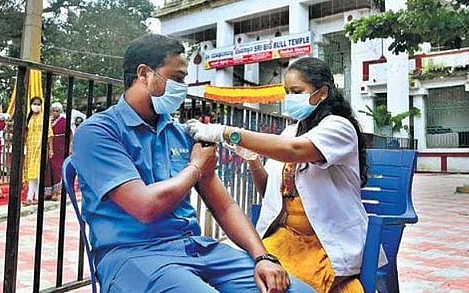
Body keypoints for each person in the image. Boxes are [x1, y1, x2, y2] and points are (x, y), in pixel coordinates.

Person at [71, 33, 315, 293]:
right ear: (144, 74)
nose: (183, 86)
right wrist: (196, 168)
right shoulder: (98, 132)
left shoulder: (181, 134)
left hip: (196, 249)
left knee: (297, 291)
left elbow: (224, 206)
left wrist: (262, 257)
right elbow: (145, 207)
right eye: (176, 78)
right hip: (133, 255)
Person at [188, 57, 387, 292]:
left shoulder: (339, 127)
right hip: (286, 237)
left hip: (324, 244)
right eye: (287, 91)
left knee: (283, 286)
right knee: (248, 277)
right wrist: (253, 161)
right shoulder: (290, 131)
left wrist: (225, 132)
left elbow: (293, 151)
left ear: (322, 93)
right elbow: (271, 193)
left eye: (296, 91)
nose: (289, 98)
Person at [23, 96, 53, 206]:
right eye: (34, 104)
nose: (36, 106)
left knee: (38, 172)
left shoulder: (44, 117)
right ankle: (34, 197)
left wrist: (50, 149)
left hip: (41, 147)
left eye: (38, 104)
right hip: (30, 148)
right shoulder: (29, 117)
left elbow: (50, 134)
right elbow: (26, 132)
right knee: (32, 172)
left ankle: (32, 197)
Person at [44, 102, 67, 201]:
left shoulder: (64, 120)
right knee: (48, 168)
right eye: (53, 110)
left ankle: (57, 192)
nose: (55, 112)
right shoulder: (49, 120)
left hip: (60, 146)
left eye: (57, 111)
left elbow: (70, 133)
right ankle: (48, 191)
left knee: (57, 169)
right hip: (50, 145)